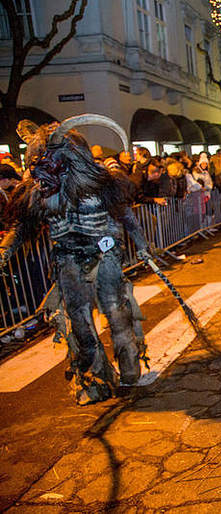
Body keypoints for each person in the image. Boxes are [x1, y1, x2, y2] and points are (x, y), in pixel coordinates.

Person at [1, 115, 150, 404]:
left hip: (104, 255)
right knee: (80, 324)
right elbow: (23, 227)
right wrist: (5, 250)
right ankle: (95, 383)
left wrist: (143, 245)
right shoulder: (39, 192)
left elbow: (125, 215)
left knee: (116, 312)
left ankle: (130, 368)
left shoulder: (100, 183)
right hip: (68, 259)